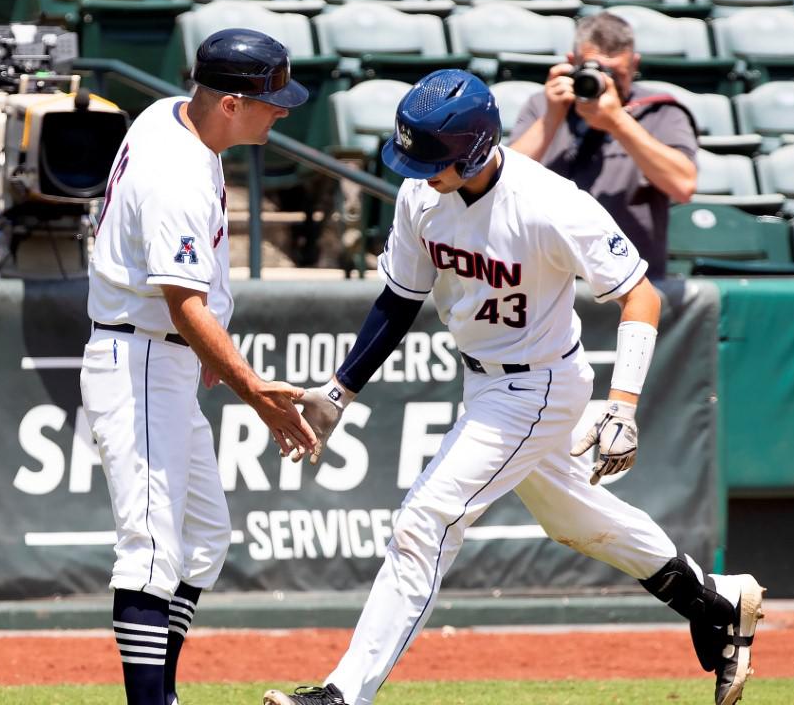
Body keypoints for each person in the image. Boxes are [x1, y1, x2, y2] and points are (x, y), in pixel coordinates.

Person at [262, 70, 764, 705]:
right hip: (488, 385)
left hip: (540, 386)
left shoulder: (550, 203)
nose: (416, 171)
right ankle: (715, 601)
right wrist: (339, 391)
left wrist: (625, 403)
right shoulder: (422, 196)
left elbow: (641, 293)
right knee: (576, 519)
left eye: (431, 159)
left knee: (425, 520)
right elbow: (398, 299)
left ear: (474, 149)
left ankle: (343, 694)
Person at [79, 28, 317, 705]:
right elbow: (183, 303)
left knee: (205, 539)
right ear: (231, 104)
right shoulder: (176, 171)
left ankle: (165, 692)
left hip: (164, 356)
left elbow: (191, 299)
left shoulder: (170, 116)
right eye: (273, 100)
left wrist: (211, 350)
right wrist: (253, 388)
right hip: (140, 358)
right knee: (151, 549)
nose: (284, 110)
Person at [509, 12, 698, 281]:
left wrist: (618, 122)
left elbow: (683, 186)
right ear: (572, 63)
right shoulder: (542, 105)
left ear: (635, 65)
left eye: (617, 74)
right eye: (595, 70)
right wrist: (551, 118)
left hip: (629, 284)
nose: (606, 83)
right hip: (545, 283)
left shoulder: (661, 113)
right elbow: (502, 182)